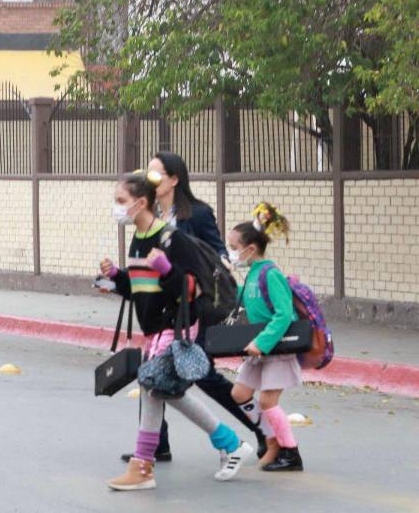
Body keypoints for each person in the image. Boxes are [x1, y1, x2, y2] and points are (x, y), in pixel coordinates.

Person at [101, 170, 255, 491]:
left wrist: (167, 269)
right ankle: (229, 442)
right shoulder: (139, 239)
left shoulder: (172, 238)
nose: (116, 207)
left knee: (152, 387)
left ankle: (143, 467)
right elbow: (142, 287)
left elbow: (191, 289)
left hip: (174, 326)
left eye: (121, 201)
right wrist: (116, 278)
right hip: (154, 327)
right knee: (165, 391)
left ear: (141, 202)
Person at [227, 204, 305, 472]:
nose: (231, 251)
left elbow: (283, 315)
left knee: (268, 402)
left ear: (251, 248)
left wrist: (261, 343)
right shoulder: (252, 274)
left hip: (275, 348)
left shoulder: (270, 273)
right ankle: (271, 440)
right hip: (257, 348)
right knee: (239, 393)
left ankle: (290, 452)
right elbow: (244, 300)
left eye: (233, 246)